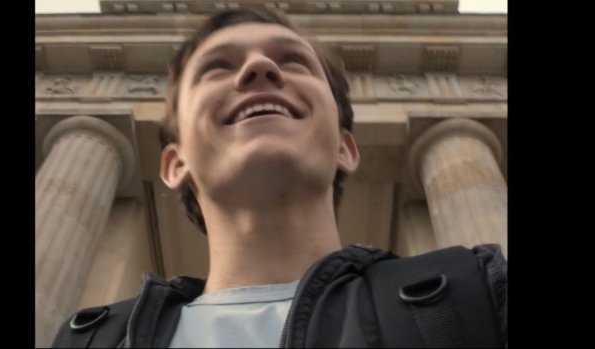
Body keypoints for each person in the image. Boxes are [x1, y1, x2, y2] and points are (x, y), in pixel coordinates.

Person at [53, 8, 507, 348]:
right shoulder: (93, 339)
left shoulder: (477, 294)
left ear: (346, 148)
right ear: (175, 164)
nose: (259, 69)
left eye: (293, 62)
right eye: (218, 67)